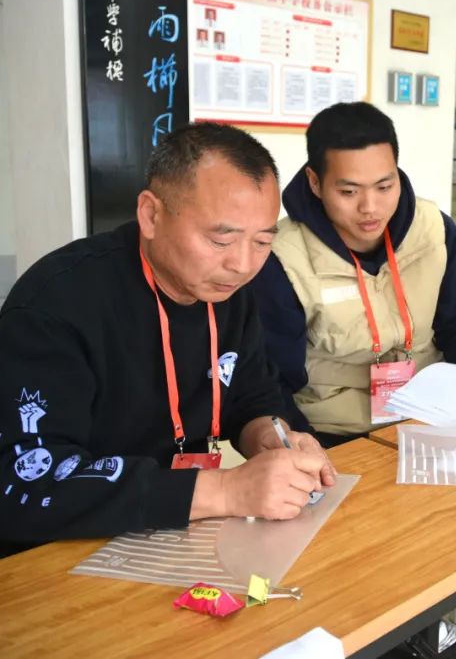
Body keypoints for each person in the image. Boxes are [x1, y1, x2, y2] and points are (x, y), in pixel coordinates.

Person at [250, 102, 456, 659]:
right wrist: (293, 443)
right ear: (315, 182)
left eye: (384, 186)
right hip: (341, 427)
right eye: (349, 191)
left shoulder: (433, 227)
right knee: (380, 548)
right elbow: (272, 378)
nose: (371, 207)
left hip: (429, 405)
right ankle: (413, 630)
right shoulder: (284, 255)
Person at [0, 123, 335, 559]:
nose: (242, 264)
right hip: (59, 555)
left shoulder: (225, 289)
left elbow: (252, 391)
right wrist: (225, 490)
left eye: (262, 241)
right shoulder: (55, 306)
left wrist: (271, 435)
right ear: (151, 215)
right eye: (221, 239)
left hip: (172, 537)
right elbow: (22, 483)